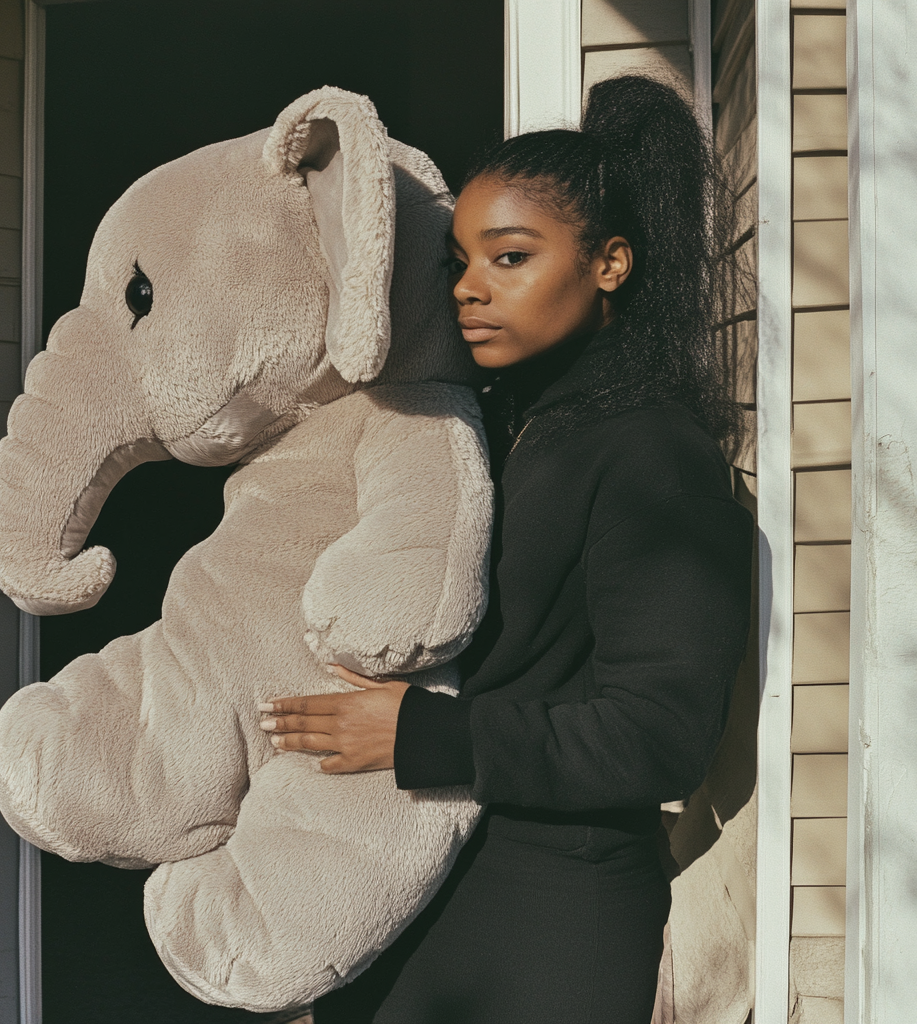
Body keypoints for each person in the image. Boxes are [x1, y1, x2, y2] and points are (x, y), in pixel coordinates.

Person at [257, 74, 754, 1023]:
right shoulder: (487, 428)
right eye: (458, 263)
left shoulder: (655, 457)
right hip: (413, 888)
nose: (471, 289)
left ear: (610, 265)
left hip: (554, 914)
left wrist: (425, 735)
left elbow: (661, 737)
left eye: (511, 257)